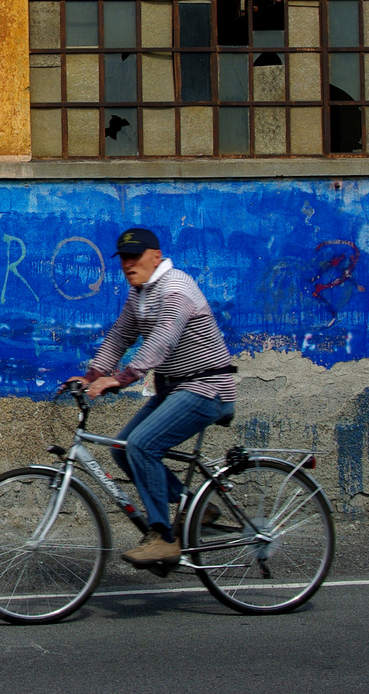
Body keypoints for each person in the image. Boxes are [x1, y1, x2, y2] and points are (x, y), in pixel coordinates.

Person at [65, 226, 237, 567]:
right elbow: (119, 336)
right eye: (124, 258)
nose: (129, 264)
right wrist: (91, 376)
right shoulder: (140, 294)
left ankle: (163, 538)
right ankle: (193, 505)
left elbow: (162, 340)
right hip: (177, 387)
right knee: (123, 449)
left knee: (142, 444)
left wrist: (123, 378)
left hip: (207, 387)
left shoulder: (176, 289)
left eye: (136, 256)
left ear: (155, 257)